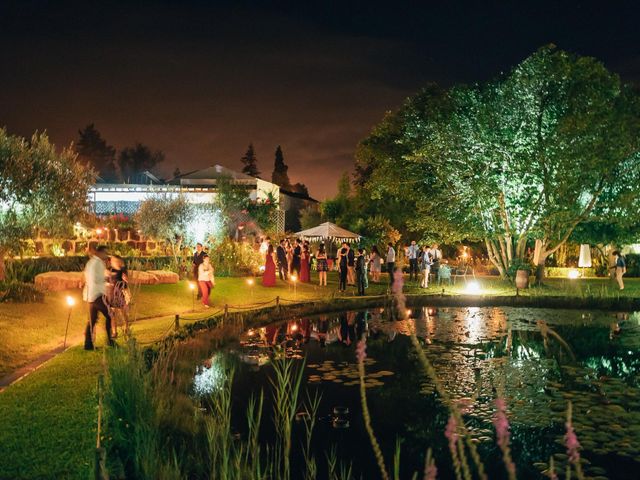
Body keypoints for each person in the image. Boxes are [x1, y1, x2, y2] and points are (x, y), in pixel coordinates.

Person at [84, 245, 114, 350]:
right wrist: (106, 280)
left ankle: (88, 344)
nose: (106, 255)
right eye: (105, 253)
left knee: (92, 320)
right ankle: (110, 341)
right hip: (97, 294)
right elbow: (95, 279)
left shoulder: (92, 262)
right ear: (100, 253)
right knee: (110, 315)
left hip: (91, 295)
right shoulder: (97, 263)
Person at [107, 255, 130, 337]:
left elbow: (126, 282)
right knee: (112, 314)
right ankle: (114, 332)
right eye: (112, 260)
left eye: (114, 260)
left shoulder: (123, 270)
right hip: (112, 294)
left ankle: (127, 328)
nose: (112, 261)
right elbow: (108, 280)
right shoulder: (111, 270)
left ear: (118, 261)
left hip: (120, 294)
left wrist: (126, 281)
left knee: (123, 312)